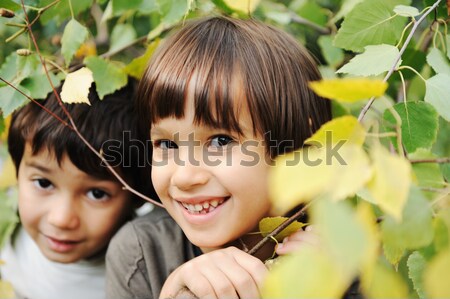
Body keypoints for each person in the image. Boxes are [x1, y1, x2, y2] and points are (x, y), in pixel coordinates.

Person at [106, 16, 331, 299]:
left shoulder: (343, 255)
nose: (185, 176)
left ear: (297, 146)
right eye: (166, 144)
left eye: (220, 141)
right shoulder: (143, 252)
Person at [0, 80, 155, 299]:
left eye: (97, 194)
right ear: (17, 171)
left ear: (137, 196)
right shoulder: (5, 221)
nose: (61, 219)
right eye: (44, 183)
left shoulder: (144, 277)